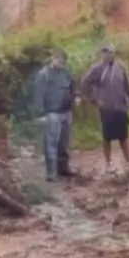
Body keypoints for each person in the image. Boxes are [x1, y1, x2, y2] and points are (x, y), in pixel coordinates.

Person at [80, 43, 129, 172]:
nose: (108, 55)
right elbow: (85, 84)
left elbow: (127, 85)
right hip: (106, 108)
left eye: (110, 52)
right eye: (105, 52)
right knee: (107, 137)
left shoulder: (121, 67)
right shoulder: (97, 69)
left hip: (121, 106)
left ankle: (128, 162)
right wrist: (94, 99)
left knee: (123, 137)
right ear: (102, 54)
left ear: (114, 53)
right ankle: (108, 164)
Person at [32, 48, 77, 181]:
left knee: (64, 142)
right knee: (51, 142)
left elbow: (73, 86)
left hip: (66, 111)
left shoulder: (66, 73)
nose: (61, 63)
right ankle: (51, 172)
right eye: (58, 60)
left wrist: (77, 96)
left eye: (63, 61)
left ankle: (64, 168)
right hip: (52, 113)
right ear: (53, 59)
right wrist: (41, 113)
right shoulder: (44, 75)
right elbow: (38, 95)